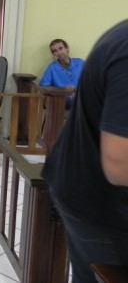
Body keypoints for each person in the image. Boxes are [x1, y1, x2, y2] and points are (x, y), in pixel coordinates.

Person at [42, 20, 128, 283]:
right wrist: (65, 90)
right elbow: (120, 163)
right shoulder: (123, 50)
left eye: (61, 48)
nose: (60, 53)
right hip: (101, 199)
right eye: (55, 50)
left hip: (82, 173)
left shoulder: (83, 61)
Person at [40, 38, 85, 108]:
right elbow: (43, 88)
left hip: (82, 102)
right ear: (53, 54)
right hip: (62, 104)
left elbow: (92, 80)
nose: (59, 52)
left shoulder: (80, 63)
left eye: (61, 48)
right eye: (55, 51)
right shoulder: (52, 68)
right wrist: (63, 90)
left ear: (67, 48)